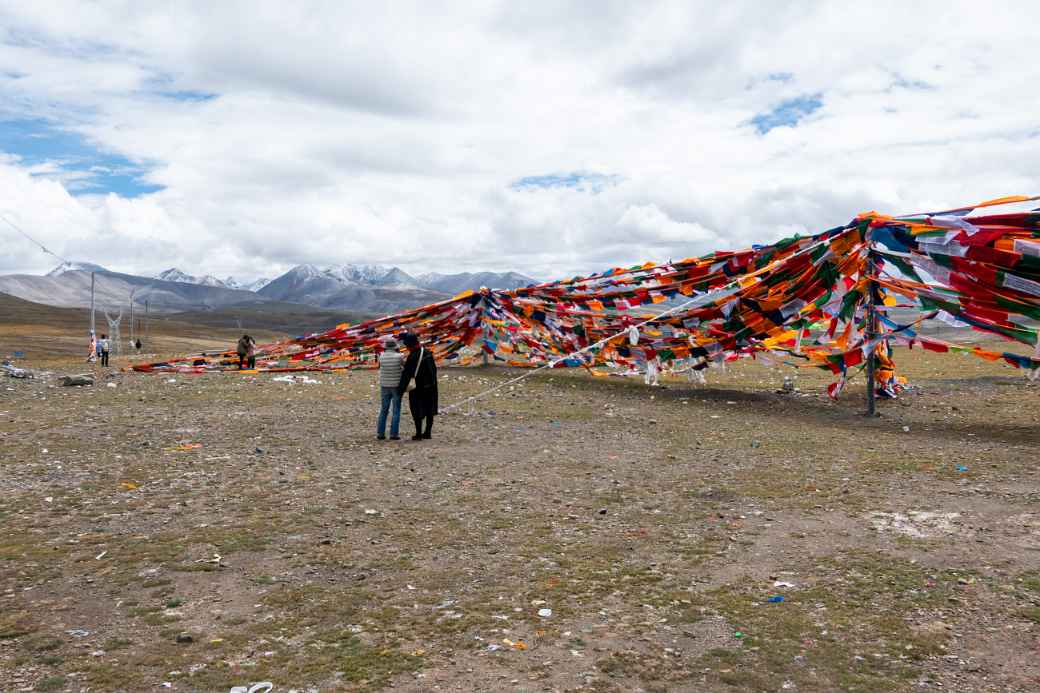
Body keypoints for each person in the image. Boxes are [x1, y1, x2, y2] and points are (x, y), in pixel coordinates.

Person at [397, 333, 438, 440]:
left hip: (417, 387)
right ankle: (428, 433)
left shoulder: (412, 356)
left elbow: (407, 375)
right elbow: (434, 370)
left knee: (417, 410)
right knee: (430, 409)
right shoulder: (428, 352)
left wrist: (400, 390)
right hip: (431, 386)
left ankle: (419, 434)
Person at [376, 337, 404, 440]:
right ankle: (394, 434)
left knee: (384, 410)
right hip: (396, 386)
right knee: (396, 410)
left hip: (384, 385)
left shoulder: (381, 356)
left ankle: (380, 433)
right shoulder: (400, 356)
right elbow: (404, 367)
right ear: (395, 347)